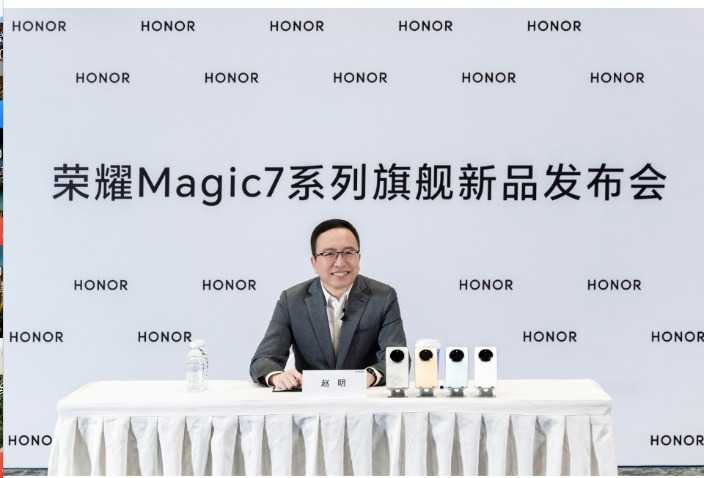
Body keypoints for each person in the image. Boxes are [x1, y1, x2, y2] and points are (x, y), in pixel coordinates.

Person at [250, 219, 407, 390]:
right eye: (329, 253)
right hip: (309, 399)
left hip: (363, 397)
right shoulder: (292, 300)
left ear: (359, 258)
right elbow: (263, 359)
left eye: (348, 252)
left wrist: (371, 375)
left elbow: (398, 357)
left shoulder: (383, 297)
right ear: (314, 262)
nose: (340, 262)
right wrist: (276, 376)